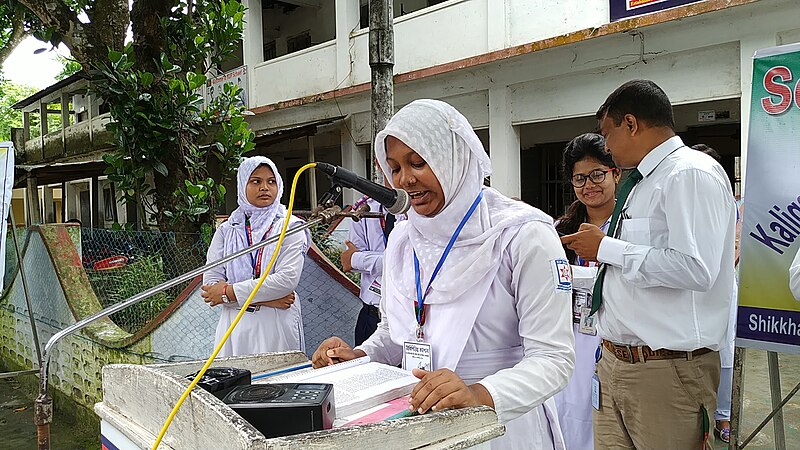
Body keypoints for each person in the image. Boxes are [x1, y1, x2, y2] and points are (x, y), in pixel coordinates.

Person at [312, 99, 575, 449]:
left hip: (503, 425)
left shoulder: (522, 234)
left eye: (418, 163)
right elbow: (394, 335)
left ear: (452, 157)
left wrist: (478, 393)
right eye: (394, 168)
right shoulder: (404, 239)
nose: (404, 179)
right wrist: (359, 357)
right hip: (418, 420)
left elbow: (554, 358)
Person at [561, 80, 736, 450]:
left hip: (666, 369)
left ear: (631, 123)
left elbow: (696, 269)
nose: (606, 147)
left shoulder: (689, 173)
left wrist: (607, 248)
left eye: (607, 134)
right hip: (613, 362)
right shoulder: (639, 183)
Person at [201, 156, 309, 356]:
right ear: (243, 185)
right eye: (256, 181)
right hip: (235, 326)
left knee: (279, 383)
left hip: (276, 324)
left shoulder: (290, 226)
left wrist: (228, 293)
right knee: (235, 382)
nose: (264, 187)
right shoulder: (228, 229)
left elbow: (286, 281)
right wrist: (267, 299)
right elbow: (211, 286)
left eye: (271, 181)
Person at [553, 133, 619, 450]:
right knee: (567, 415)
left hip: (614, 342)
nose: (588, 185)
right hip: (570, 341)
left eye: (597, 174)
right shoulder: (561, 231)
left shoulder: (626, 229)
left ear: (615, 172)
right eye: (580, 178)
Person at [692, 143, 737, 444]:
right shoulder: (686, 200)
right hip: (691, 288)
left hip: (719, 283)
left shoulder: (724, 199)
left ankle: (723, 414)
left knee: (724, 347)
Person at [340, 195, 396, 345]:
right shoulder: (365, 207)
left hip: (407, 319)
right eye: (395, 170)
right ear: (379, 169)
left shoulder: (418, 207)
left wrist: (358, 259)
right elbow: (350, 258)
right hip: (371, 316)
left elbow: (412, 261)